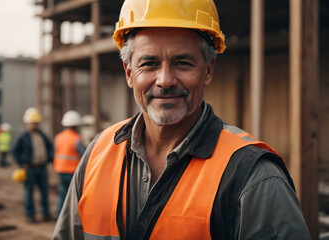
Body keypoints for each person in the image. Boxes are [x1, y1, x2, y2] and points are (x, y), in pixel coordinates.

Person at [53, 0, 311, 239]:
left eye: (182, 63)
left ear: (207, 70)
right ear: (129, 73)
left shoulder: (253, 177)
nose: (165, 80)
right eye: (149, 63)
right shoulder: (98, 153)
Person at [11, 107, 54, 223]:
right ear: (28, 123)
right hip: (29, 169)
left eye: (36, 123)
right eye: (33, 123)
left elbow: (50, 147)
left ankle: (46, 213)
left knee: (44, 192)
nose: (35, 125)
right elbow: (14, 150)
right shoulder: (23, 136)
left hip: (41, 167)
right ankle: (30, 215)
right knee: (29, 193)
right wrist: (22, 163)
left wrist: (49, 158)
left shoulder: (42, 135)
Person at [54, 110, 85, 216]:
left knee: (63, 194)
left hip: (60, 170)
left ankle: (60, 214)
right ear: (76, 125)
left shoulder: (58, 137)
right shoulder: (76, 138)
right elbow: (84, 155)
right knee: (74, 196)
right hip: (72, 171)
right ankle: (73, 216)